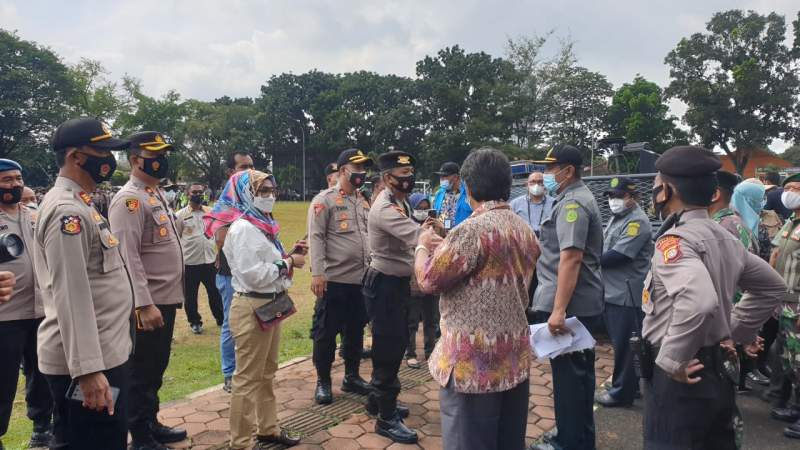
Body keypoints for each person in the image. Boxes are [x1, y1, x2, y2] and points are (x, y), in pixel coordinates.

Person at [641, 145, 785, 449]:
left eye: (656, 185)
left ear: (666, 191)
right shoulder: (724, 236)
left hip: (681, 377)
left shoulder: (675, 242)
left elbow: (699, 301)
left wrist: (671, 360)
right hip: (718, 371)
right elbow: (773, 287)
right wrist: (738, 331)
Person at [415, 148, 539, 450]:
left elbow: (428, 280)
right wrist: (448, 241)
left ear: (467, 187)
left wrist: (422, 247)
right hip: (512, 357)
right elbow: (492, 267)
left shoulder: (470, 231)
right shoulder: (524, 229)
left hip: (473, 365)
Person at [35, 117, 134, 450]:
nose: (110, 160)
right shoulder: (68, 213)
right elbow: (72, 294)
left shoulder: (82, 203)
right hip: (88, 363)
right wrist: (88, 370)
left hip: (101, 352)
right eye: (102, 151)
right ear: (77, 157)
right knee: (98, 441)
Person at [209, 169, 303, 449]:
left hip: (270, 303)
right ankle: (239, 443)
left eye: (273, 191)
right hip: (252, 305)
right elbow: (253, 275)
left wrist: (287, 258)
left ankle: (268, 428)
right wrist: (288, 264)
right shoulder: (243, 228)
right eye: (263, 191)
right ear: (245, 194)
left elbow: (270, 267)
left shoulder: (263, 224)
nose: (270, 196)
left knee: (267, 371)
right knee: (248, 378)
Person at [108, 131, 186, 450]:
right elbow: (128, 257)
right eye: (155, 154)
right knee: (141, 371)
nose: (161, 159)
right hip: (148, 303)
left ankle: (151, 422)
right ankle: (140, 435)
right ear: (135, 159)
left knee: (156, 366)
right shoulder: (129, 200)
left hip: (164, 298)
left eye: (164, 153)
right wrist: (143, 303)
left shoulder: (154, 194)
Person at [529, 145, 604, 450]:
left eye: (551, 169)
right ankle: (578, 439)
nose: (546, 176)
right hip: (579, 302)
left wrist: (557, 310)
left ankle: (569, 443)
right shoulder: (571, 198)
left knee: (570, 383)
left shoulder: (573, 203)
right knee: (580, 379)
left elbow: (571, 258)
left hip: (571, 307)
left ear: (568, 170)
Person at [363, 150, 422, 444]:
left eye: (410, 174)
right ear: (387, 178)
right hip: (384, 284)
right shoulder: (385, 207)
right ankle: (386, 418)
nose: (408, 180)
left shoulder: (400, 200)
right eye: (403, 176)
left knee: (393, 342)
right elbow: (419, 237)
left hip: (394, 284)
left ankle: (376, 400)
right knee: (389, 345)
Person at [307, 149, 372, 404]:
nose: (361, 174)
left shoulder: (363, 199)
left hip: (361, 280)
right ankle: (323, 381)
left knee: (355, 330)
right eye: (357, 168)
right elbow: (316, 237)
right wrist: (318, 273)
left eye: (364, 169)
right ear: (343, 170)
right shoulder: (325, 200)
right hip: (333, 280)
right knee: (326, 332)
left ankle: (352, 376)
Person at [0, 159, 53, 449]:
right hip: (5, 314)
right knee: (3, 378)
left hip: (41, 308)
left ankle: (42, 427)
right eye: (6, 179)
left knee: (42, 370)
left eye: (17, 178)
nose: (14, 184)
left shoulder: (35, 213)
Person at [595, 177, 653, 408]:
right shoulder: (618, 218)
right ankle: (626, 384)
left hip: (626, 294)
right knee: (622, 344)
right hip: (614, 291)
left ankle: (622, 393)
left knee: (627, 346)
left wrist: (588, 260)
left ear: (634, 197)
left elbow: (618, 256)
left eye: (619, 196)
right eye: (611, 196)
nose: (613, 200)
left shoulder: (636, 222)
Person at [212, 151, 255, 393]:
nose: (248, 171)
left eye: (251, 166)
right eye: (242, 167)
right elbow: (220, 237)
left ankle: (248, 368)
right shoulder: (226, 203)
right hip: (231, 273)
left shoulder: (254, 198)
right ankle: (229, 372)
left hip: (254, 273)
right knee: (231, 323)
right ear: (231, 172)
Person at [769, 172, 800, 439]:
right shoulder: (792, 221)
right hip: (785, 303)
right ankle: (795, 407)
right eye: (786, 188)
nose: (788, 193)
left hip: (799, 305)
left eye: (794, 188)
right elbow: (776, 251)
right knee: (790, 360)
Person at [177, 183, 224, 334]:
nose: (197, 194)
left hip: (209, 261)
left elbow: (217, 233)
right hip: (190, 262)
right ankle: (195, 322)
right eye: (194, 192)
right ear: (187, 193)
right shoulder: (180, 215)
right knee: (191, 296)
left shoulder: (210, 212)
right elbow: (177, 238)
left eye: (200, 192)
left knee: (215, 292)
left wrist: (219, 253)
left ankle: (221, 318)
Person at [406, 193, 439, 369]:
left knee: (431, 319)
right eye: (419, 208)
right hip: (413, 280)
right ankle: (410, 353)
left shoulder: (435, 226)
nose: (423, 211)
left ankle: (430, 352)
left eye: (426, 208)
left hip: (432, 279)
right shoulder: (407, 226)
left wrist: (440, 229)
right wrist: (421, 234)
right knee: (411, 320)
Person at [509, 171, 555, 236]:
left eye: (540, 182)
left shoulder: (554, 203)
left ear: (545, 184)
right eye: (532, 182)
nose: (536, 185)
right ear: (527, 185)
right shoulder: (515, 204)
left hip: (547, 243)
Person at [432, 162, 472, 232]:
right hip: (441, 238)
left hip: (461, 236)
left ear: (456, 177)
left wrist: (446, 228)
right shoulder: (439, 194)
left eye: (445, 176)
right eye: (440, 176)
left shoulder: (469, 194)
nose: (441, 179)